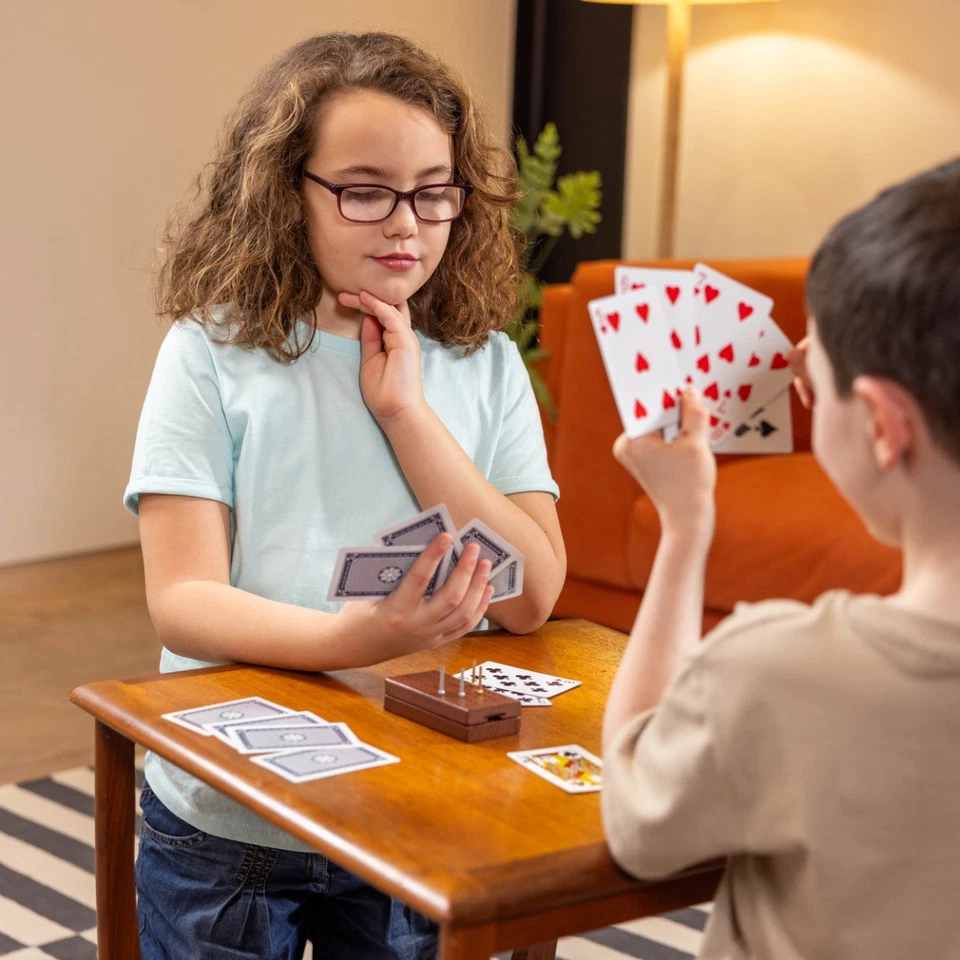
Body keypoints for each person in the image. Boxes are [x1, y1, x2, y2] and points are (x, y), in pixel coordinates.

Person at [124, 31, 566, 960]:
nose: (406, 224)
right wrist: (354, 641)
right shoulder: (208, 353)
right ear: (291, 193)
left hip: (417, 803)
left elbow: (533, 594)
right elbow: (184, 601)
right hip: (231, 819)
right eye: (365, 190)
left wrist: (406, 411)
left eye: (433, 191)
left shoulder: (484, 366)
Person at [601, 158, 960, 959]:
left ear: (882, 424)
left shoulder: (771, 674)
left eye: (814, 371)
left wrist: (685, 527)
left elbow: (634, 815)